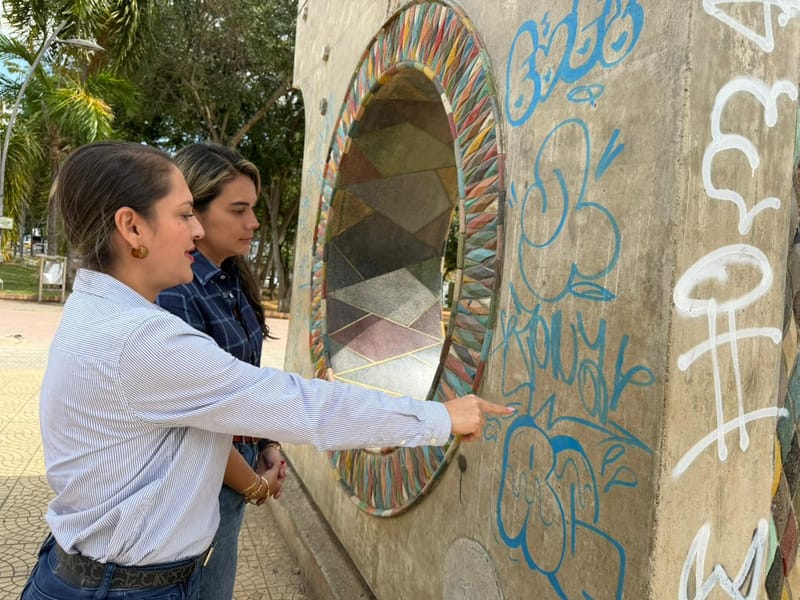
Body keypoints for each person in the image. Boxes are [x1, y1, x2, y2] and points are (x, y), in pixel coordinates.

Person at [21, 140, 513, 600]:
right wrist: (440, 419)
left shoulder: (102, 311)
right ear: (132, 227)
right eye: (184, 214)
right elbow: (296, 405)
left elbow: (246, 402)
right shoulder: (141, 340)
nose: (196, 229)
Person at [156, 142, 283, 600]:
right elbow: (194, 418)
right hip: (203, 480)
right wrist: (256, 487)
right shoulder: (176, 293)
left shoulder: (232, 278)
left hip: (236, 470)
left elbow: (246, 380)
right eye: (239, 210)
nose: (253, 223)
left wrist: (267, 442)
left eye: (254, 209)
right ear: (194, 211)